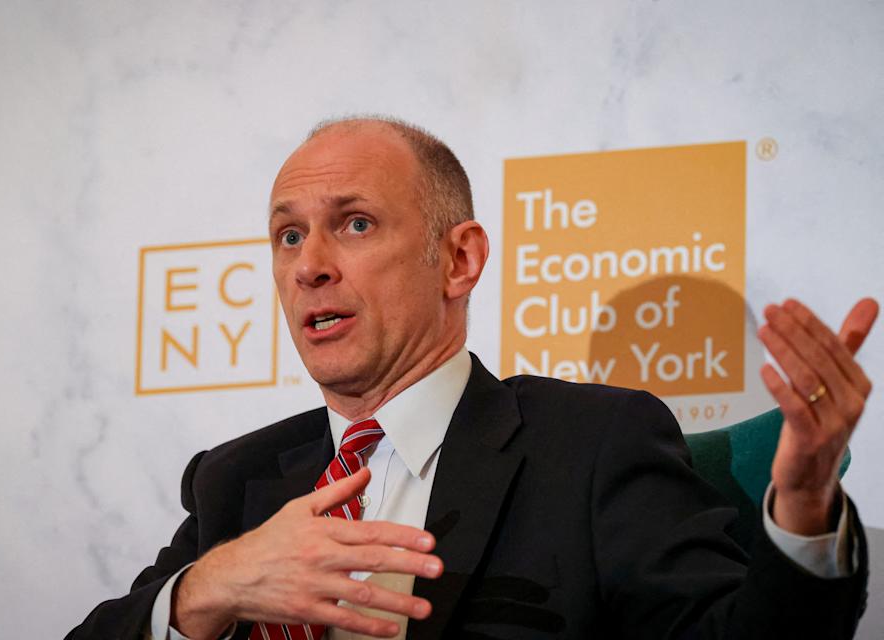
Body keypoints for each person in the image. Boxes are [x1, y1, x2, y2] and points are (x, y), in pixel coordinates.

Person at [66, 117, 875, 640]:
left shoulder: (591, 446)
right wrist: (206, 589)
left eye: (354, 223)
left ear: (459, 260)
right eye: (288, 236)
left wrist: (804, 505)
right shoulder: (235, 479)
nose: (309, 266)